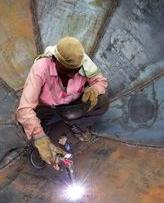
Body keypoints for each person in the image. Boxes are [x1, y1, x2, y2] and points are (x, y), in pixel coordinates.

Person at [16, 36, 109, 169]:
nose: (71, 76)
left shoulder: (84, 62)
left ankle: (75, 123)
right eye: (65, 71)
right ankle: (42, 146)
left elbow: (101, 81)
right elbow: (24, 110)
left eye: (74, 72)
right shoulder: (41, 67)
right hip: (49, 108)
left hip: (72, 104)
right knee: (28, 124)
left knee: (102, 102)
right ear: (55, 60)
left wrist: (94, 89)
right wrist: (40, 138)